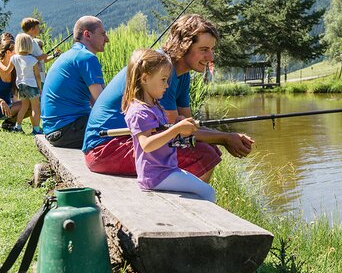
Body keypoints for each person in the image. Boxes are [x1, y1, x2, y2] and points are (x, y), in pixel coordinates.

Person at [83, 14, 254, 182]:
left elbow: (188, 124)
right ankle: (188, 207)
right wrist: (225, 137)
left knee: (209, 148)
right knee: (203, 154)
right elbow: (174, 129)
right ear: (184, 46)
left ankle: (190, 198)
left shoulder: (182, 73)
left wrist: (226, 137)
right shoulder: (161, 71)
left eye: (211, 50)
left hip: (125, 142)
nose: (211, 57)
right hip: (105, 149)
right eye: (204, 50)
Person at [122, 48, 216, 201]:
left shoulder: (154, 106)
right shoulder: (139, 111)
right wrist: (175, 129)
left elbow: (162, 137)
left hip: (167, 170)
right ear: (145, 79)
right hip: (156, 175)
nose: (167, 85)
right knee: (207, 192)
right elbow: (146, 144)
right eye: (163, 80)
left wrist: (177, 128)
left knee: (203, 191)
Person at [41, 15, 109, 148]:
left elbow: (95, 101)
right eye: (103, 34)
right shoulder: (87, 58)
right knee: (130, 128)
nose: (107, 39)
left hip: (56, 130)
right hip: (67, 129)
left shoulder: (72, 55)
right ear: (87, 34)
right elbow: (103, 103)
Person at [0, 33, 41, 134]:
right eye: (15, 51)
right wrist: (1, 101)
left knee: (26, 105)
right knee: (34, 105)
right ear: (8, 52)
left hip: (12, 101)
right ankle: (36, 129)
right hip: (1, 105)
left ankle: (13, 124)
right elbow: (37, 75)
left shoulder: (14, 65)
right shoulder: (32, 59)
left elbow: (6, 71)